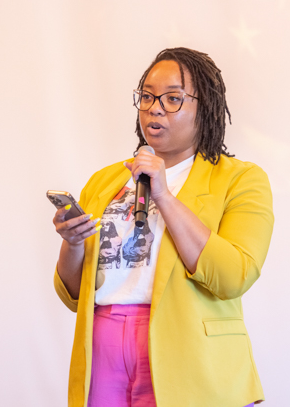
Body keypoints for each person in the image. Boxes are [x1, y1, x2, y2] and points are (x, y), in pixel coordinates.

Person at [52, 47, 274, 407]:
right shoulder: (106, 180)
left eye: (173, 99)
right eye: (148, 96)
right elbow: (74, 295)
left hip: (190, 353)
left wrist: (165, 196)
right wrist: (73, 243)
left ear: (206, 107)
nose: (155, 107)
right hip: (103, 348)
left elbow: (234, 275)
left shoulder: (242, 179)